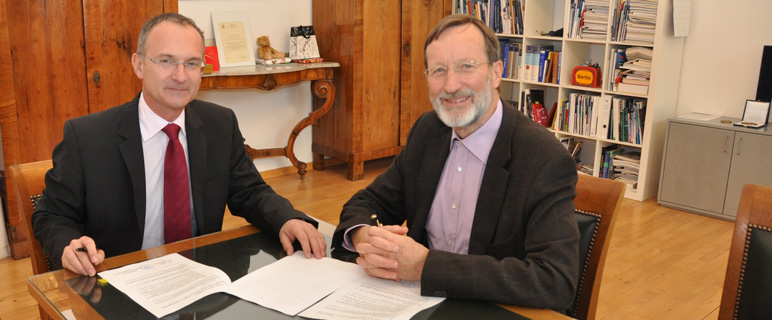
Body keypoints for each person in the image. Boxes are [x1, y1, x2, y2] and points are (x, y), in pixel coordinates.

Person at [32, 13, 326, 277]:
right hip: (119, 281)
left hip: (201, 277)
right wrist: (68, 246)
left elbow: (249, 192)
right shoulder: (87, 136)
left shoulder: (220, 124)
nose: (180, 76)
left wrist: (286, 219)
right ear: (138, 65)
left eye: (192, 63)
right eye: (166, 61)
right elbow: (51, 215)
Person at [331, 14, 579, 313]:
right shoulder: (428, 131)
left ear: (497, 72)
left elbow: (554, 282)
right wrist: (364, 237)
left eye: (466, 66)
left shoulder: (544, 158)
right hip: (417, 305)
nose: (451, 85)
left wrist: (425, 266)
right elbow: (369, 201)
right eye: (438, 70)